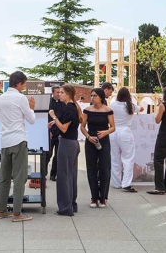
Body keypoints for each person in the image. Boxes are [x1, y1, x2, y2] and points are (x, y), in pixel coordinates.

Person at [0, 71, 36, 222]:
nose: (24, 87)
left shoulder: (1, 98)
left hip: (5, 140)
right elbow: (31, 119)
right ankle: (17, 213)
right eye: (24, 84)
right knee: (19, 177)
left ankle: (0, 210)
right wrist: (31, 107)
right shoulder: (20, 98)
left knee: (4, 177)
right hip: (18, 139)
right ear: (18, 83)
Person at [51, 84, 82, 216]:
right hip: (70, 142)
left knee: (64, 175)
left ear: (68, 94)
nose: (59, 94)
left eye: (62, 92)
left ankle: (65, 207)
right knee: (70, 175)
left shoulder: (70, 108)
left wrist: (53, 117)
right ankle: (71, 204)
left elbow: (64, 128)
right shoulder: (71, 107)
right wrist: (55, 122)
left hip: (67, 143)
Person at [82, 88, 115, 208]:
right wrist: (88, 136)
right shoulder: (87, 110)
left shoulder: (108, 110)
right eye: (91, 95)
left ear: (101, 97)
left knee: (104, 168)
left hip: (104, 141)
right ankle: (94, 197)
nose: (92, 98)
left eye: (95, 95)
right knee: (91, 169)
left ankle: (103, 198)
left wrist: (106, 132)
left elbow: (112, 127)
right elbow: (82, 126)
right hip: (91, 140)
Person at [110, 87, 139, 193]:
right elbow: (141, 109)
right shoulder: (130, 106)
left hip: (113, 132)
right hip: (125, 132)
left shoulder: (113, 104)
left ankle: (116, 183)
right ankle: (126, 183)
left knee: (115, 158)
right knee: (128, 158)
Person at [42, 86, 62, 181]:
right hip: (49, 132)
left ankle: (54, 174)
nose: (59, 94)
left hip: (59, 132)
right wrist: (48, 131)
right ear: (52, 93)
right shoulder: (48, 103)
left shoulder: (62, 103)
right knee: (47, 154)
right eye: (57, 92)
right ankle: (43, 173)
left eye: (60, 92)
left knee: (58, 155)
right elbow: (45, 118)